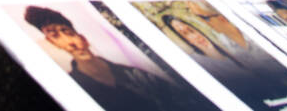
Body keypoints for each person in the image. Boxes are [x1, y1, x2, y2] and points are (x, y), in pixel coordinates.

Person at [23, 6, 180, 111]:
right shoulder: (70, 87)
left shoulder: (134, 73)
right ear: (53, 43)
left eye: (69, 32)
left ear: (83, 38)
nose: (70, 42)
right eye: (56, 36)